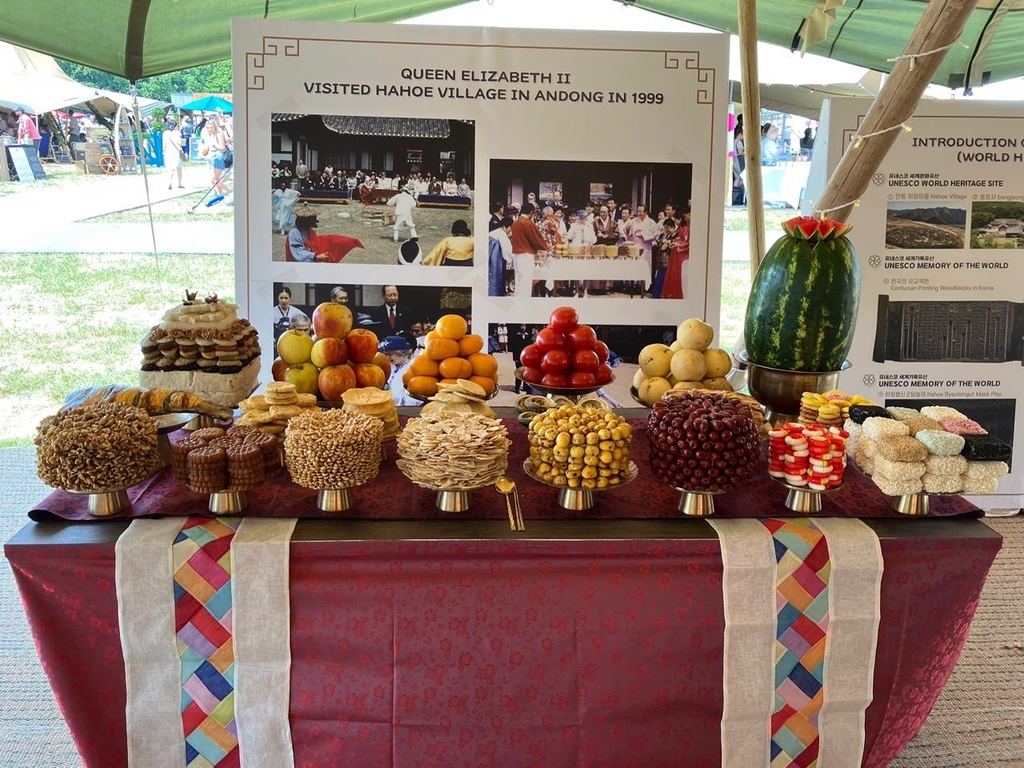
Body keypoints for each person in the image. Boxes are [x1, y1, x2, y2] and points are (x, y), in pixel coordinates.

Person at [285, 204, 364, 263]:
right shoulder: (294, 233)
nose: (316, 221)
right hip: (297, 265)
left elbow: (315, 245)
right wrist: (315, 256)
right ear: (307, 220)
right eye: (313, 219)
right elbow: (298, 253)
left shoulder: (310, 231)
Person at [510, 203, 549, 298]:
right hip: (526, 254)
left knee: (518, 279)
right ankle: (524, 302)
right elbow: (535, 238)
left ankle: (518, 300)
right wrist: (545, 247)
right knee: (526, 281)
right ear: (531, 212)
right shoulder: (527, 223)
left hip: (517, 254)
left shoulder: (515, 223)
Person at [626, 204, 660, 297]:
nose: (639, 213)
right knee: (634, 267)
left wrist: (644, 235)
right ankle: (634, 287)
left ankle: (644, 287)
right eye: (638, 211)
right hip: (635, 247)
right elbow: (628, 234)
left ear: (646, 212)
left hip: (645, 247)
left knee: (645, 267)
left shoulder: (651, 222)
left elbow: (656, 234)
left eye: (641, 211)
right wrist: (628, 229)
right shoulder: (633, 221)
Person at [380, 335, 419, 406]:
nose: (388, 357)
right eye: (386, 354)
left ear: (401, 352)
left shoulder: (413, 368)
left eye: (390, 354)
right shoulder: (389, 367)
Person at [660, 210, 690, 299]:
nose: (676, 221)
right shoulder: (682, 228)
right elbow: (680, 239)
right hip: (676, 252)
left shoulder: (687, 228)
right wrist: (675, 242)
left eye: (677, 219)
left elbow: (687, 242)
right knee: (673, 274)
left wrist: (676, 244)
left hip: (682, 254)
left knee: (679, 275)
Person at [488, 215, 514, 296]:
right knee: (495, 277)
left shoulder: (495, 232)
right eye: (510, 228)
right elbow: (508, 250)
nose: (510, 231)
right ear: (506, 226)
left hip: (491, 254)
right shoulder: (502, 234)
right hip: (495, 256)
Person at [509, 323, 532, 393]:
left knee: (526, 372)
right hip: (518, 357)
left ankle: (525, 386)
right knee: (519, 372)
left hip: (526, 358)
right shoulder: (516, 336)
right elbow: (514, 348)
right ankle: (517, 387)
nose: (523, 327)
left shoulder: (528, 336)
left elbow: (530, 348)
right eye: (522, 326)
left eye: (524, 326)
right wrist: (515, 358)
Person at [162, 120, 185, 190]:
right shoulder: (177, 133)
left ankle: (169, 182)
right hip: (177, 152)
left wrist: (164, 151)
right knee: (179, 168)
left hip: (168, 152)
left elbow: (164, 144)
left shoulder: (165, 133)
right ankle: (179, 183)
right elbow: (180, 143)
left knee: (170, 168)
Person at [732, 124, 746, 206]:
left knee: (737, 178)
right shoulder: (739, 142)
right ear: (740, 134)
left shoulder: (733, 141)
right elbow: (741, 152)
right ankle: (737, 196)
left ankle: (735, 196)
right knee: (740, 178)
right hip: (739, 161)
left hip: (734, 161)